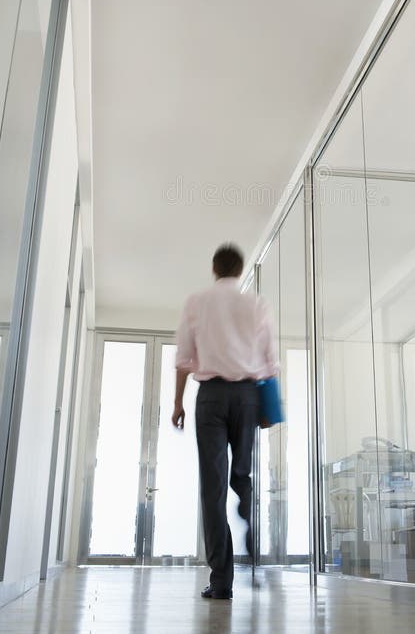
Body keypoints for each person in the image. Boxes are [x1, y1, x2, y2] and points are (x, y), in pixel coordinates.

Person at [172, 243, 278, 600]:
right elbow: (270, 361)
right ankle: (252, 533)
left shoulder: (196, 302)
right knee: (242, 477)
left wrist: (177, 403)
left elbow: (184, 359)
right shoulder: (257, 304)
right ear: (240, 269)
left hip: (212, 399)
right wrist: (266, 408)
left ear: (215, 268)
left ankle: (221, 582)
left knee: (213, 487)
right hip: (248, 397)